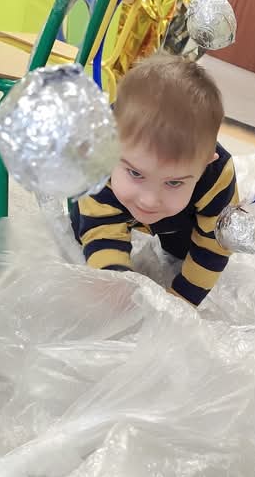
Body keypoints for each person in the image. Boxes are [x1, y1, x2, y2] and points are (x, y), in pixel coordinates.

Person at [72, 53, 238, 307]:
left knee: (184, 252)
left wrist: (181, 302)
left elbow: (214, 247)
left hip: (181, 218)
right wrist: (114, 282)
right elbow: (100, 229)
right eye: (136, 173)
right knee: (82, 226)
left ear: (206, 164)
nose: (149, 201)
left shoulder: (217, 177)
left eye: (174, 182)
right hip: (110, 192)